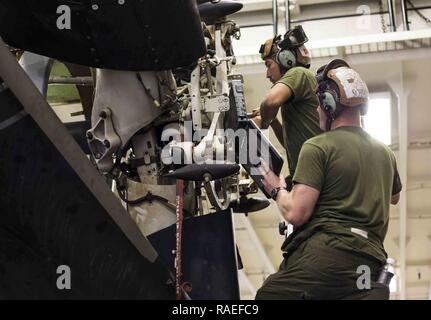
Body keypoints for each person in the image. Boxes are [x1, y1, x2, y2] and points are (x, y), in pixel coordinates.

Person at [255, 59, 402, 300]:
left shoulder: (318, 147)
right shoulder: (385, 153)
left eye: (318, 103)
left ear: (328, 103)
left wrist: (276, 189)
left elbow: (296, 213)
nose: (315, 110)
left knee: (269, 296)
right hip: (368, 267)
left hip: (329, 256)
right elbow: (394, 197)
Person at [250, 25, 322, 190]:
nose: (267, 74)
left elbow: (269, 102)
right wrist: (274, 122)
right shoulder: (296, 89)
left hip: (313, 176)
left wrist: (264, 121)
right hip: (308, 175)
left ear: (285, 59)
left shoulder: (298, 73)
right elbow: (290, 145)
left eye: (269, 65)